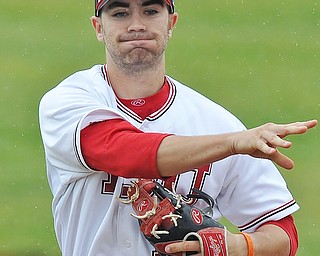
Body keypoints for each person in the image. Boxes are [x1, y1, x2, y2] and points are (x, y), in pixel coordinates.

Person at [38, 0, 317, 255]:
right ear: (99, 27)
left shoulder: (216, 122)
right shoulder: (68, 102)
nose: (136, 25)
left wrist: (238, 246)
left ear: (171, 23)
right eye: (120, 13)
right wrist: (231, 144)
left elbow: (284, 233)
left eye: (150, 11)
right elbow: (127, 151)